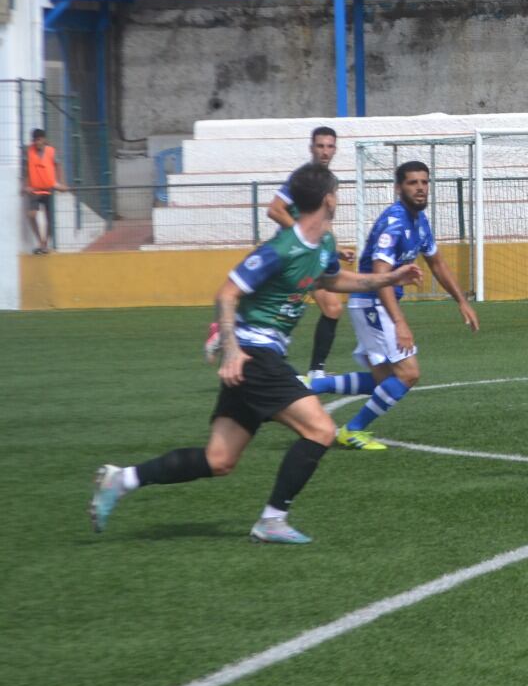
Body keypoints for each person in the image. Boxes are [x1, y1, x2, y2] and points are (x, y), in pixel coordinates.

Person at [88, 162, 424, 544]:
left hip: (262, 357)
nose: (339, 198)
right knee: (321, 430)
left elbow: (331, 279)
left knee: (219, 460)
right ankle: (272, 520)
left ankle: (122, 479)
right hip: (253, 355)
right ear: (328, 199)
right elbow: (227, 293)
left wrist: (388, 278)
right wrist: (232, 350)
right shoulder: (282, 248)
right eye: (337, 192)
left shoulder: (325, 243)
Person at [308, 160, 479, 451]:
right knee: (409, 373)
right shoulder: (395, 223)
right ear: (398, 188)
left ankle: (313, 387)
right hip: (372, 303)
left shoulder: (419, 221)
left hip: (374, 304)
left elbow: (436, 262)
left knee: (384, 381)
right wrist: (399, 323)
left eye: (425, 182)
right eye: (413, 183)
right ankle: (353, 430)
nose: (421, 188)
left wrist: (461, 301)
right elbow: (380, 276)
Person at [264, 127, 353, 379]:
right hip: (293, 256)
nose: (325, 151)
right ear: (311, 148)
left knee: (332, 308)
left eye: (330, 146)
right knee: (283, 310)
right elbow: (275, 210)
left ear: (335, 149)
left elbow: (323, 224)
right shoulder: (301, 179)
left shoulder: (330, 181)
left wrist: (336, 250)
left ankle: (315, 371)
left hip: (312, 257)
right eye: (320, 146)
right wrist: (303, 239)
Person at [23, 129, 65, 254]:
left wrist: (62, 183)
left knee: (49, 218)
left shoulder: (51, 151)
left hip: (48, 189)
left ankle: (44, 245)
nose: (37, 142)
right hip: (35, 190)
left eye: (39, 139)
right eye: (35, 140)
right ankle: (40, 241)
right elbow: (25, 170)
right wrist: (25, 186)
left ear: (44, 139)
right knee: (32, 215)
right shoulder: (28, 152)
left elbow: (58, 166)